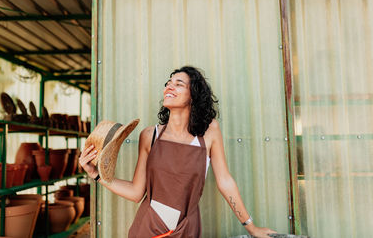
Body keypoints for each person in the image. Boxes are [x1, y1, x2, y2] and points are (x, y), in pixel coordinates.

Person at [79, 66, 277, 238]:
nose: (169, 86)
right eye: (168, 82)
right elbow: (136, 192)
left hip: (187, 231)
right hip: (147, 231)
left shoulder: (209, 132)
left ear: (194, 95)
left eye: (179, 83)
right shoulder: (149, 135)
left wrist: (251, 227)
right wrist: (97, 175)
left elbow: (225, 182)